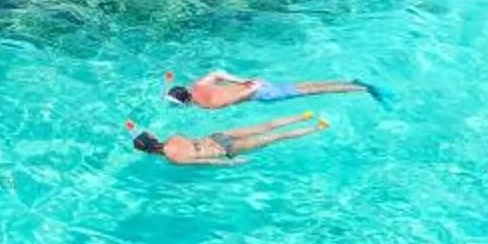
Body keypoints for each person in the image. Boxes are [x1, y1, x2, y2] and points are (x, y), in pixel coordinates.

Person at [127, 113, 329, 165]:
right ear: (153, 137)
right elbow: (195, 141)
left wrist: (232, 163)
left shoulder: (174, 159)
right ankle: (304, 116)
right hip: (218, 136)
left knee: (276, 137)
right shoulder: (174, 137)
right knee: (264, 126)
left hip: (226, 150)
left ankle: (317, 127)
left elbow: (207, 161)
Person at [166, 69, 377, 109]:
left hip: (260, 92)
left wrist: (251, 89)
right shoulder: (198, 85)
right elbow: (217, 73)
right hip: (253, 84)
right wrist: (242, 80)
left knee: (310, 91)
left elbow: (233, 101)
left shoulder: (207, 104)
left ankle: (362, 89)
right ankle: (351, 81)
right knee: (305, 85)